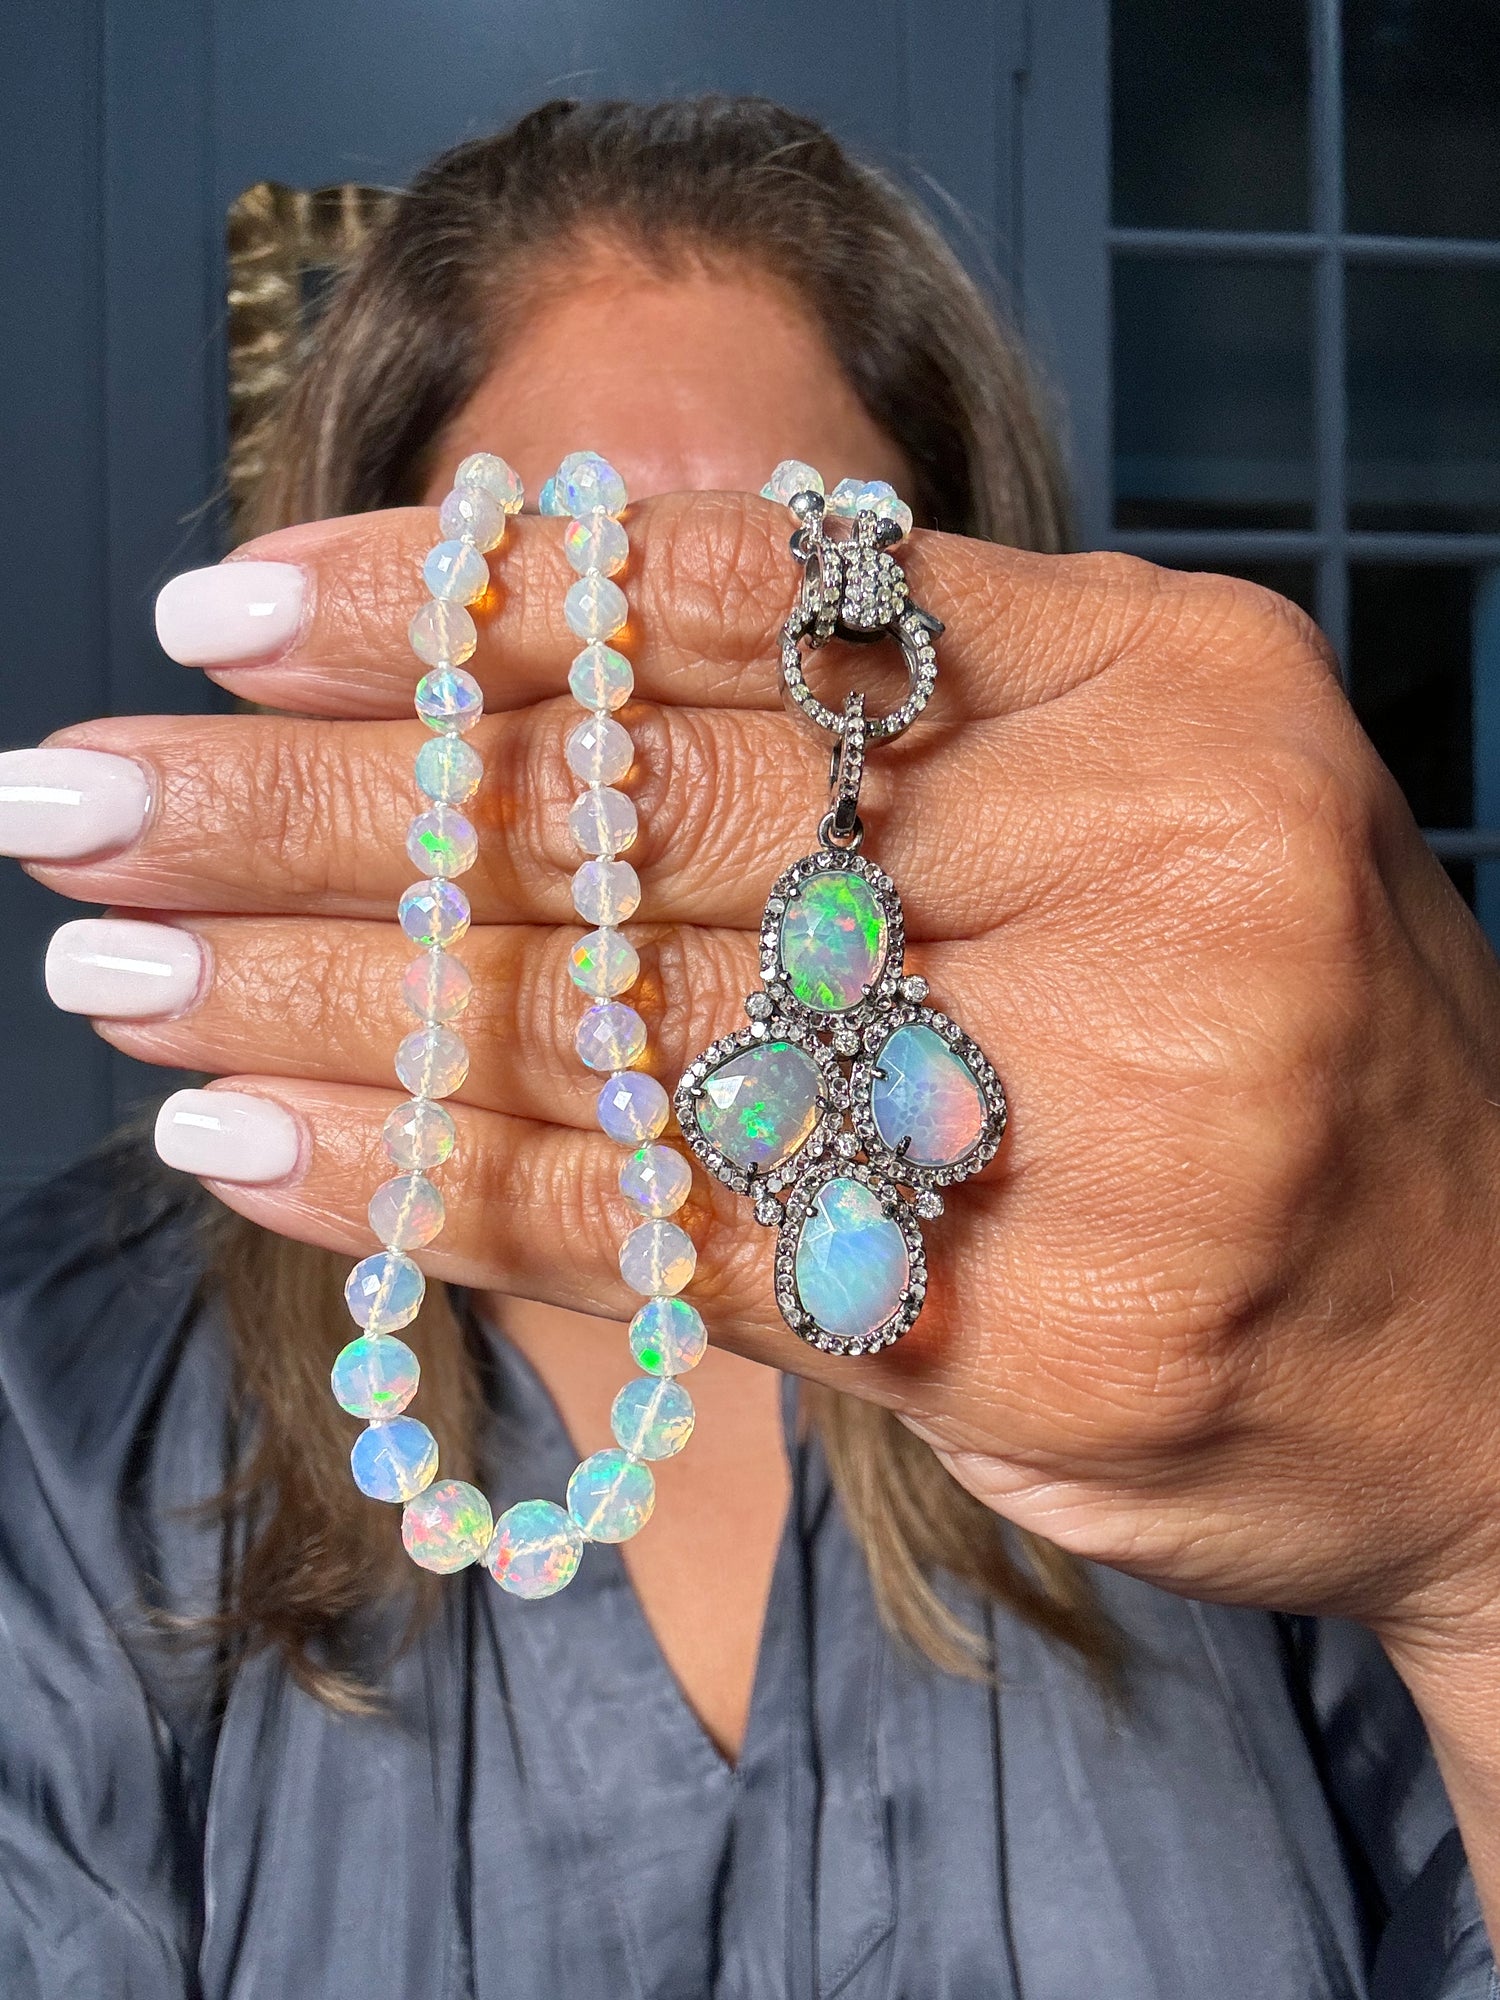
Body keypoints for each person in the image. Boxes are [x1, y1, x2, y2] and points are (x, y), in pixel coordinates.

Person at [0, 94, 1497, 1998]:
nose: (657, 727)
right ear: (377, 685)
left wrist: (1480, 1522)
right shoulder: (63, 1396)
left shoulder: (1233, 1311)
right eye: (555, 599)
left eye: (792, 583)